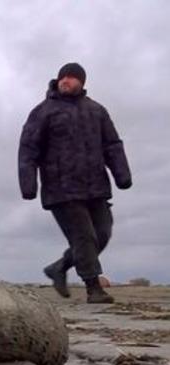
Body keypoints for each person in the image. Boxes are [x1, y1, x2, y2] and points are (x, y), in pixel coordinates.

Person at [19, 62, 132, 304]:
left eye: (71, 77)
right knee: (84, 237)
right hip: (61, 188)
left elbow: (112, 145)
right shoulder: (43, 111)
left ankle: (59, 267)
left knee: (102, 233)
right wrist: (28, 184)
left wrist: (122, 175)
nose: (65, 80)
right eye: (63, 77)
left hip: (96, 187)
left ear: (81, 82)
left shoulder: (97, 111)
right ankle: (94, 288)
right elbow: (28, 149)